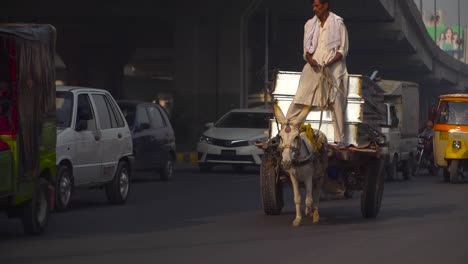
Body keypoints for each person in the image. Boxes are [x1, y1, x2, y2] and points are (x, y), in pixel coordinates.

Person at [286, 0, 349, 145]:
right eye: (313, 6)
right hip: (313, 66)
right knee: (301, 97)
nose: (314, 9)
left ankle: (340, 139)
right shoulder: (309, 24)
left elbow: (342, 50)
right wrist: (311, 60)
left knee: (335, 101)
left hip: (333, 67)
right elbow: (306, 52)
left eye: (317, 6)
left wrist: (329, 64)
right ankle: (286, 131)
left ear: (325, 5)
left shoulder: (338, 22)